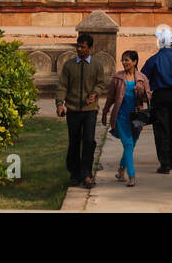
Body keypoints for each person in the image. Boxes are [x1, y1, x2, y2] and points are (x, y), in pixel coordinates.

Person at [56, 33, 106, 189]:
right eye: (78, 46)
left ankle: (87, 174)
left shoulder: (97, 65)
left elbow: (100, 83)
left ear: (90, 48)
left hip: (90, 110)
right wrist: (59, 103)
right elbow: (62, 85)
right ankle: (74, 174)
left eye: (83, 47)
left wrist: (94, 93)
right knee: (74, 143)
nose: (79, 49)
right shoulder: (69, 65)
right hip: (72, 110)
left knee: (89, 142)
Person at [140, 25, 172, 174]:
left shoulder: (153, 60)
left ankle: (164, 162)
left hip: (159, 96)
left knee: (161, 128)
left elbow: (142, 78)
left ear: (159, 42)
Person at [101, 49, 151, 186]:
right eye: (123, 60)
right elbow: (111, 97)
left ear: (134, 62)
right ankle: (132, 176)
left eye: (127, 60)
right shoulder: (118, 78)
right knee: (128, 144)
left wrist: (141, 93)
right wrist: (105, 112)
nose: (124, 63)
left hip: (136, 117)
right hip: (121, 117)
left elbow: (148, 97)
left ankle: (121, 170)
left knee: (131, 146)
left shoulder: (142, 78)